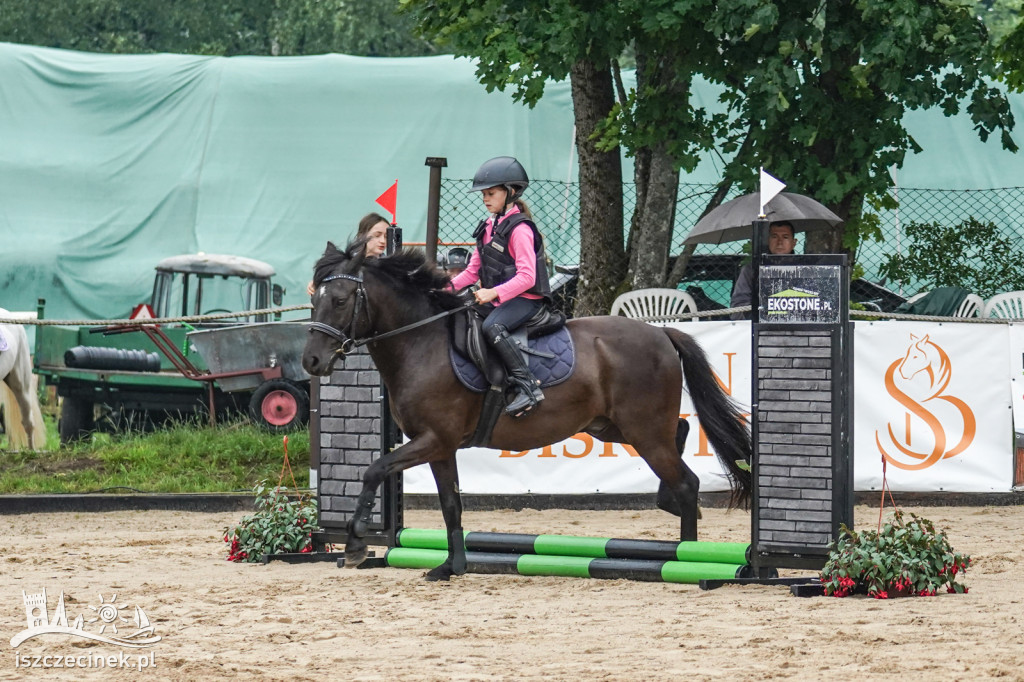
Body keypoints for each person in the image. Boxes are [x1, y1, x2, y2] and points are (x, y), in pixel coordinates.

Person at [448, 156, 552, 417]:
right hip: (500, 300)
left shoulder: (520, 229)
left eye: (491, 193)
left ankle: (528, 386)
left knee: (492, 326)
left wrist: (493, 292)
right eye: (483, 194)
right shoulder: (487, 227)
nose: (485, 198)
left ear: (512, 191)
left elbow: (528, 277)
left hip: (526, 299)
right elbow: (472, 272)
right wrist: (443, 289)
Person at [307, 212, 389, 295]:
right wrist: (317, 283)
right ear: (362, 235)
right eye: (377, 235)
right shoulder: (344, 263)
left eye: (386, 236)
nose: (383, 241)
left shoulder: (390, 268)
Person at [730, 221, 797, 320]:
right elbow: (738, 307)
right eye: (774, 236)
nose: (779, 242)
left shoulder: (807, 269)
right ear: (767, 240)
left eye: (785, 237)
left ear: (794, 243)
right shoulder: (751, 270)